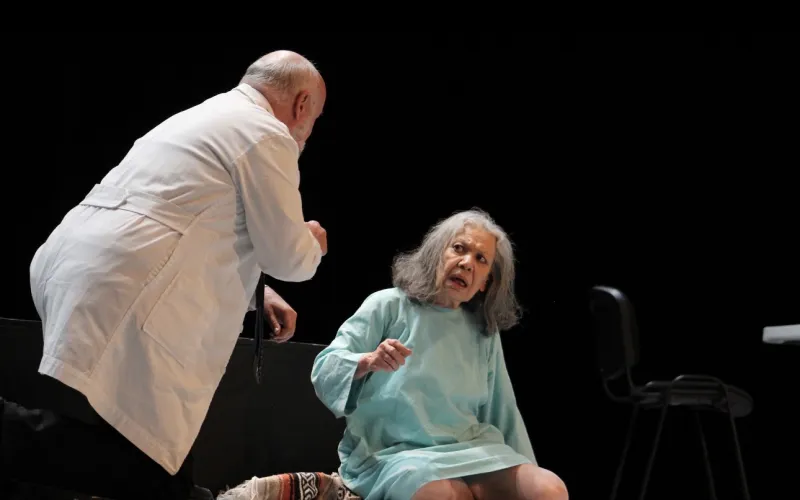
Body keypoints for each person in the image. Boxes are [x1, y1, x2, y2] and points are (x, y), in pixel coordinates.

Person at [1, 50, 328, 500]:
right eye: (316, 118)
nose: (310, 130)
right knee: (149, 472)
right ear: (303, 104)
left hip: (81, 269)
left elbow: (195, 223)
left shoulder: (199, 116)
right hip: (128, 293)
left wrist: (258, 293)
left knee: (153, 465)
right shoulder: (266, 133)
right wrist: (313, 241)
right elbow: (288, 257)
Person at [310, 209, 568, 500]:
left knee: (549, 489)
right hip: (395, 454)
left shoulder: (483, 330)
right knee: (443, 494)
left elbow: (503, 409)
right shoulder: (387, 305)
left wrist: (525, 464)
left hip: (472, 449)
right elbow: (325, 368)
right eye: (459, 248)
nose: (467, 263)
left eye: (481, 259)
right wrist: (367, 361)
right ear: (436, 254)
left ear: (485, 282)